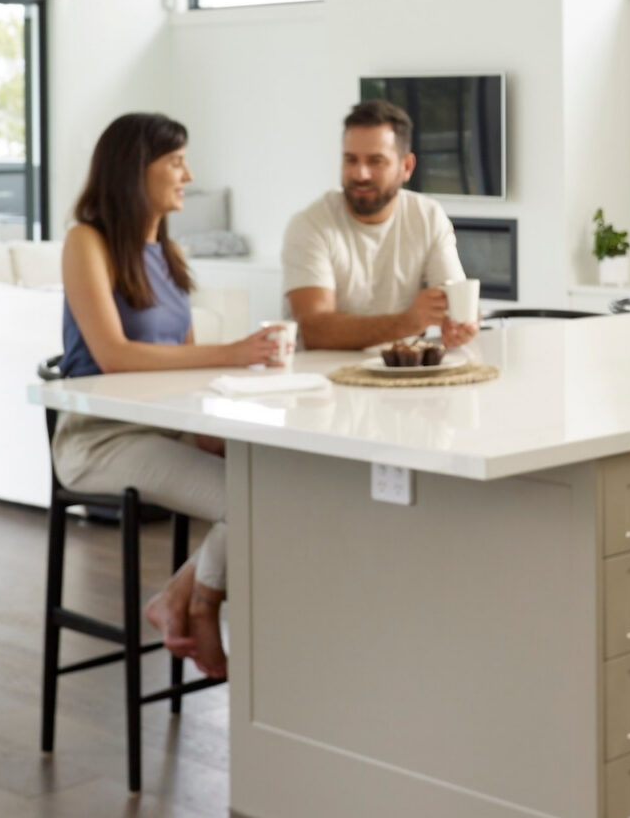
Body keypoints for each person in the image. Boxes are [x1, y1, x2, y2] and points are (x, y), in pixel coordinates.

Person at [54, 112, 282, 678]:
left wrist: (211, 423)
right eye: (176, 161)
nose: (188, 174)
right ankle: (201, 606)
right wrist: (232, 352)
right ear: (137, 170)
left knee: (282, 479)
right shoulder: (87, 242)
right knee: (247, 499)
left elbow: (183, 365)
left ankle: (175, 598)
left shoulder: (168, 256)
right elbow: (114, 354)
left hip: (160, 429)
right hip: (99, 440)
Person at [282, 99, 482, 351]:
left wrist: (462, 324)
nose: (360, 174)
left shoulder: (427, 216)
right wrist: (409, 321)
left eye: (375, 161)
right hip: (325, 377)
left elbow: (458, 302)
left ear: (406, 166)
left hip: (402, 371)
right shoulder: (310, 224)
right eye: (351, 160)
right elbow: (315, 330)